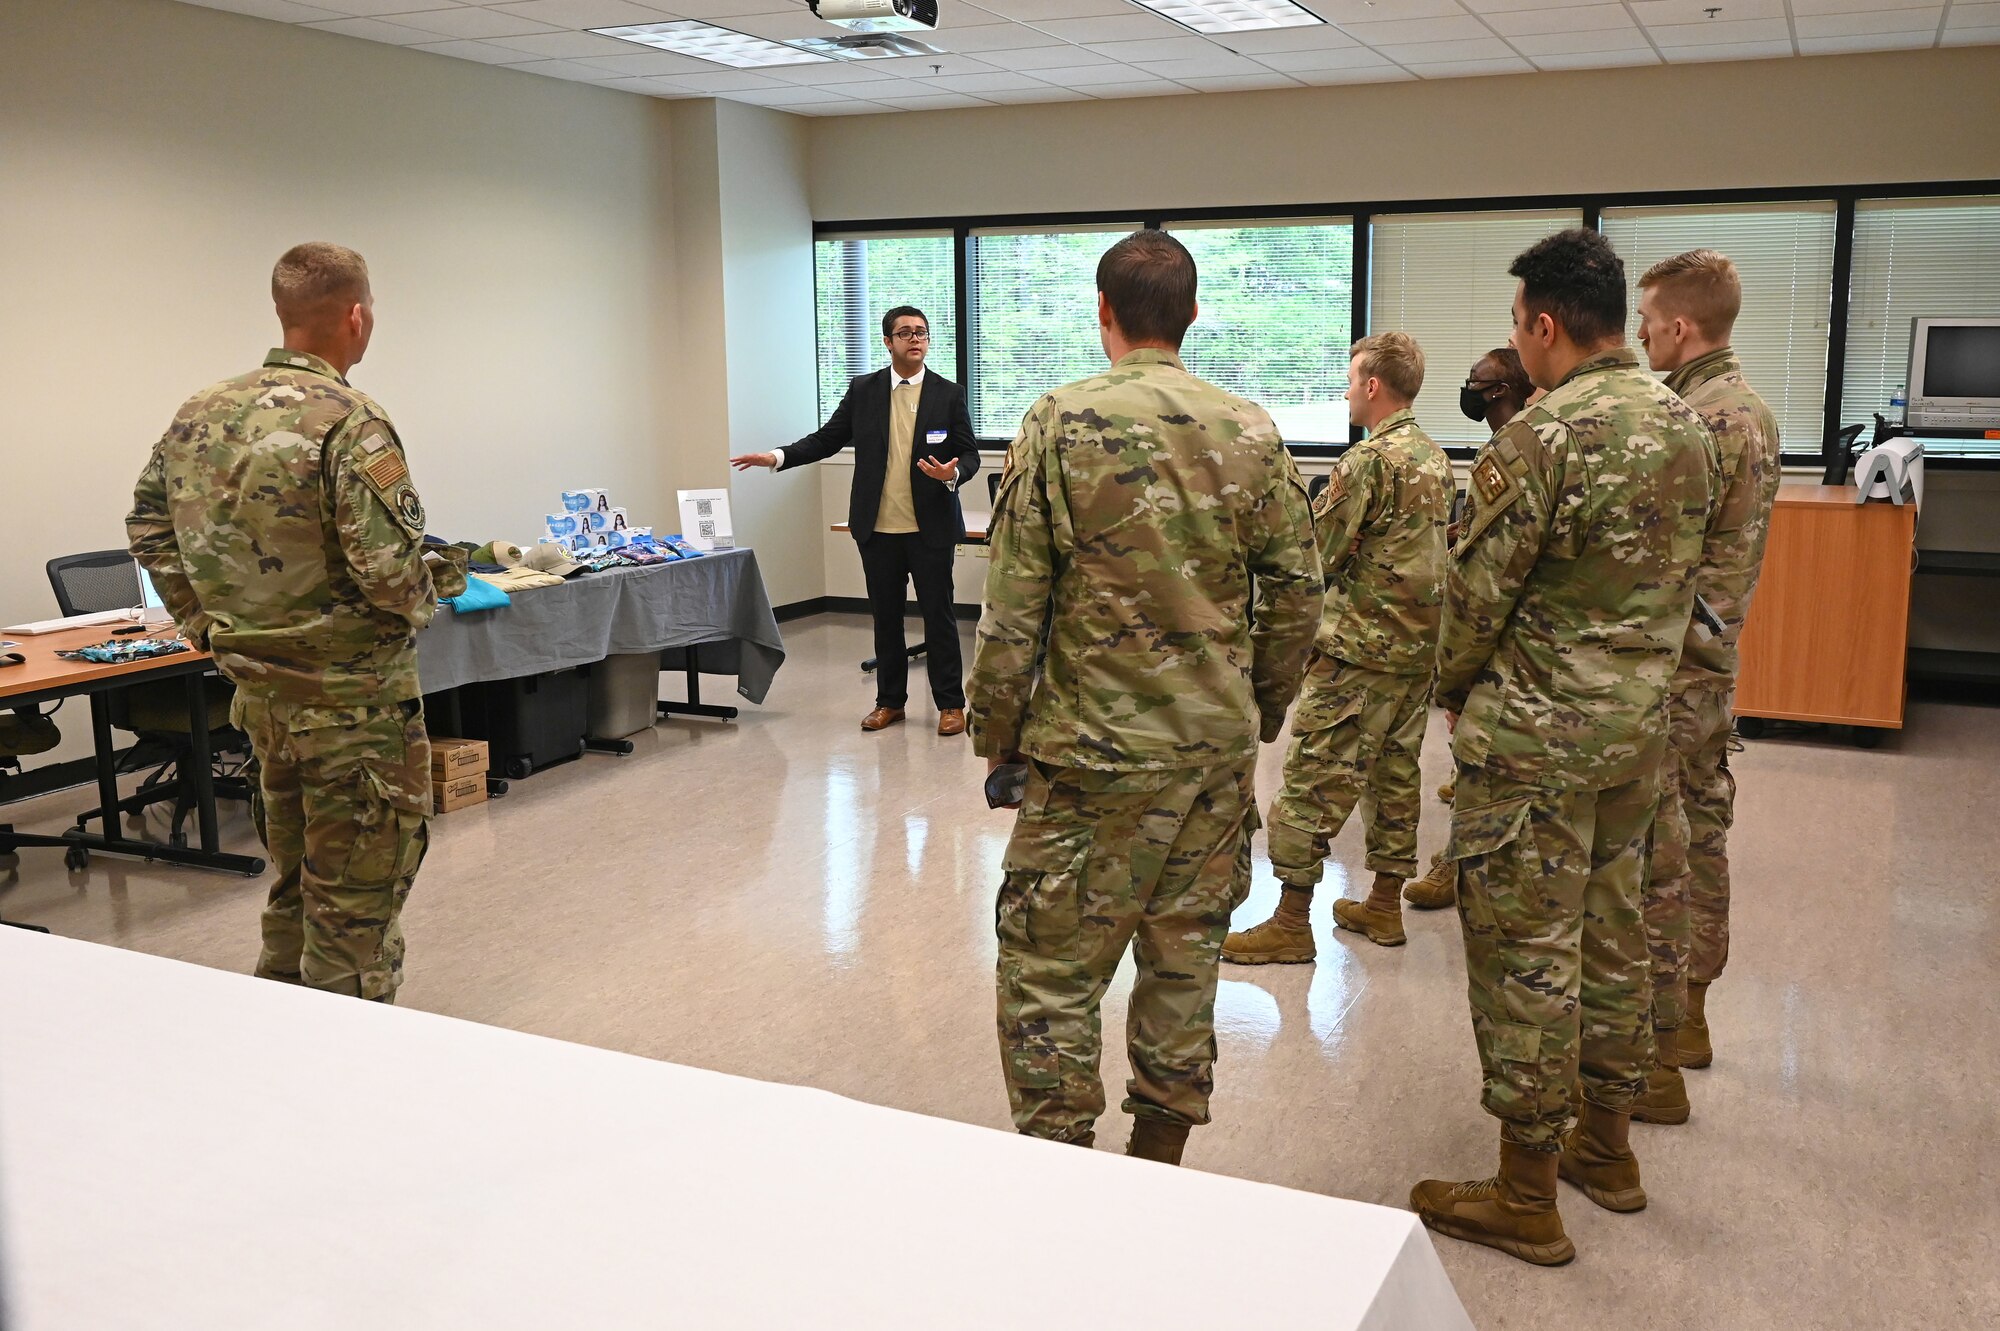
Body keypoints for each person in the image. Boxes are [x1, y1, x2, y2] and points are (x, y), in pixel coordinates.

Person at [968, 231, 1321, 1164]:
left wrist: (996, 734)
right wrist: (1260, 709)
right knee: (1183, 958)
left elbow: (1014, 605)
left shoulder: (1057, 420)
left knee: (1050, 968)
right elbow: (1298, 594)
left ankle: (1062, 1169)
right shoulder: (1250, 427)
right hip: (1209, 755)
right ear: (1193, 316)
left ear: (1104, 311)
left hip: (1088, 758)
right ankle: (1158, 1164)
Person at [1409, 229, 1716, 1265]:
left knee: (1525, 962)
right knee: (1613, 939)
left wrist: (1453, 694)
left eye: (1514, 325)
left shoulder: (1540, 439)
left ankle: (1524, 1193)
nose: (1515, 343)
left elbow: (1472, 599)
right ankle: (1607, 1150)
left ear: (1542, 324)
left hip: (1535, 749)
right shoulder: (1686, 425)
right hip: (1636, 738)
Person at [128, 242, 454, 1002]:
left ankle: (278, 1031)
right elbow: (388, 574)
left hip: (263, 699)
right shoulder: (352, 419)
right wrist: (435, 585)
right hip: (355, 709)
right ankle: (347, 1072)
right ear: (356, 316)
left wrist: (206, 626)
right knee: (356, 898)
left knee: (297, 876)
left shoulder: (201, 410)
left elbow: (147, 524)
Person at [1220, 332, 1449, 961]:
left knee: (1312, 779)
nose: (1347, 391)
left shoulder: (1369, 462)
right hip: (1414, 652)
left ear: (1373, 385)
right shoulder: (1432, 457)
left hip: (1358, 654)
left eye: (1352, 380)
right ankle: (1383, 906)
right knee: (1396, 774)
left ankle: (1291, 923)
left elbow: (1316, 554)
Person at [1628, 250, 1782, 1125]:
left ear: (1681, 326)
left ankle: (1655, 1056)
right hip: (1712, 663)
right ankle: (1688, 1018)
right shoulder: (1751, 408)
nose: (1642, 331)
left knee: (1662, 848)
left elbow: (1660, 558)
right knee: (1705, 826)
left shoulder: (1693, 419)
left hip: (1674, 665)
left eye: (1648, 319)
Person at [731, 306, 979, 736]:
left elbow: (969, 452)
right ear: (888, 342)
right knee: (885, 618)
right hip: (877, 528)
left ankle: (951, 705)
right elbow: (828, 439)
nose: (915, 339)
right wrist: (777, 457)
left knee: (938, 616)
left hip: (930, 528)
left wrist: (952, 473)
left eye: (921, 332)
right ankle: (890, 702)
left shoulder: (948, 393)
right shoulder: (864, 390)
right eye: (905, 333)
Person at [1404, 346, 1539, 912]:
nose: (1467, 388)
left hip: (1503, 636)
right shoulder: (1516, 440)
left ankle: (1455, 866)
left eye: (1475, 382)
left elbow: (1490, 579)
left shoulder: (1521, 445)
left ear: (1499, 392)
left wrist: (1453, 675)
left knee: (1481, 760)